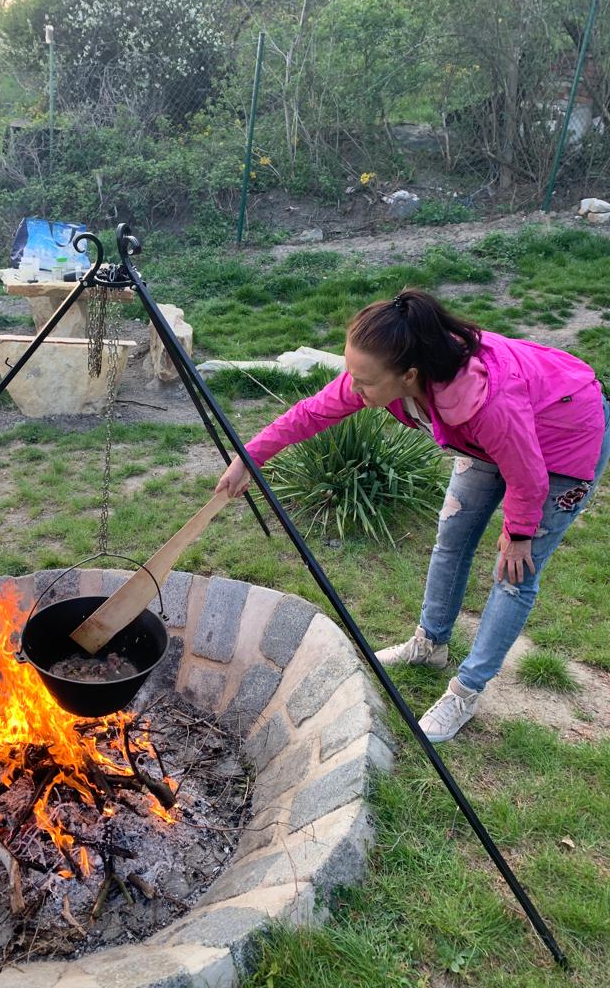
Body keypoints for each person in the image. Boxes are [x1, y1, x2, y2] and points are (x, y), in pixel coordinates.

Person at [216, 289, 610, 743]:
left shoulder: (485, 400)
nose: (353, 388)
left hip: (566, 437)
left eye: (364, 381)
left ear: (409, 375)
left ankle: (465, 691)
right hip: (489, 440)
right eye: (352, 375)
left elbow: (528, 476)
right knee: (452, 537)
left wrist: (519, 533)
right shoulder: (391, 370)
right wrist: (250, 457)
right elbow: (310, 413)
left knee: (514, 574)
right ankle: (431, 643)